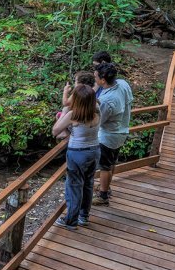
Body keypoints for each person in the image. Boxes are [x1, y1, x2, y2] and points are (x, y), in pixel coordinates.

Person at [52, 84, 101, 229]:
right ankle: (83, 216)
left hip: (77, 152)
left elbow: (55, 131)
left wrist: (63, 113)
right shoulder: (97, 111)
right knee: (88, 184)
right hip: (94, 150)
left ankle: (71, 221)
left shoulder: (73, 115)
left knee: (74, 186)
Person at [92, 62, 133, 205]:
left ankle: (103, 195)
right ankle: (106, 187)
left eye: (96, 76)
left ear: (103, 80)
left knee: (104, 166)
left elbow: (99, 121)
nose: (94, 78)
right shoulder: (122, 84)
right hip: (122, 131)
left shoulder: (107, 100)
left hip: (108, 136)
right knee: (111, 163)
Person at [56, 71, 97, 139]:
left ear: (80, 83)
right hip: (88, 120)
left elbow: (65, 103)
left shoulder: (78, 92)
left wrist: (65, 91)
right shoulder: (92, 91)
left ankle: (65, 132)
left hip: (77, 120)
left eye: (75, 81)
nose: (74, 83)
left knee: (59, 115)